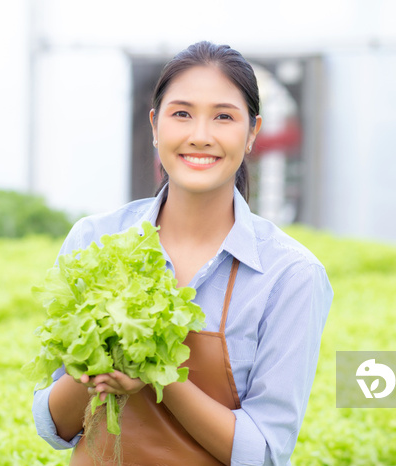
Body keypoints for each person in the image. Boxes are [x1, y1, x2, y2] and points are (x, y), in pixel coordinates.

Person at [32, 41, 333, 465]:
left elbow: (263, 453)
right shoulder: (93, 240)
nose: (200, 136)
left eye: (224, 117)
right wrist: (98, 361)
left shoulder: (290, 275)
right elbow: (54, 427)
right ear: (155, 126)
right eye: (182, 113)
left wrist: (159, 375)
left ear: (252, 133)